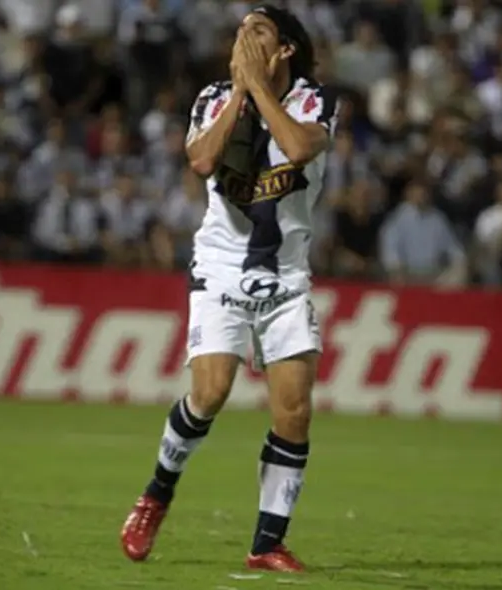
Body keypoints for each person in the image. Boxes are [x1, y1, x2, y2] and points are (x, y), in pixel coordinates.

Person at [120, 4, 338, 573]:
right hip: (220, 266)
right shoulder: (214, 96)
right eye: (240, 31)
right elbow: (202, 158)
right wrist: (241, 91)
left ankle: (266, 544)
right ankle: (155, 496)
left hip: (286, 274)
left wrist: (260, 89)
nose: (243, 38)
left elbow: (297, 147)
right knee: (210, 392)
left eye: (258, 32)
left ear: (285, 48)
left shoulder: (315, 101)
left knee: (293, 411)